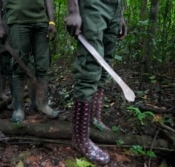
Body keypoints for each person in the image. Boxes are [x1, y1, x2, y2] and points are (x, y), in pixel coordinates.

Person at [65, 0, 127, 165]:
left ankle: (94, 118)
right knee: (90, 66)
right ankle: (80, 138)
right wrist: (73, 9)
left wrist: (120, 14)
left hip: (115, 7)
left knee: (105, 63)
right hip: (93, 4)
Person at [4, 0, 60, 122]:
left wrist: (51, 21)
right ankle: (18, 108)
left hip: (41, 22)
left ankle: (43, 104)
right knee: (19, 64)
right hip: (18, 21)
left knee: (42, 65)